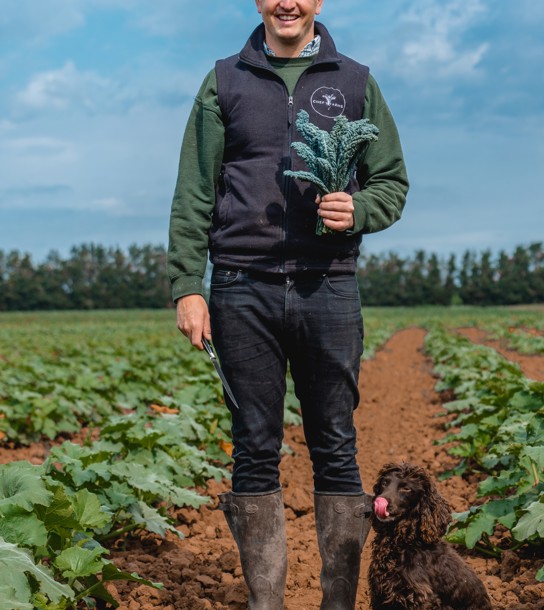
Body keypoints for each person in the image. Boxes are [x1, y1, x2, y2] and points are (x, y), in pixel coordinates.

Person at [167, 1, 408, 608]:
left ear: (319, 2)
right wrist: (189, 285)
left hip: (329, 285)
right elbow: (194, 190)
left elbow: (391, 182)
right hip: (241, 287)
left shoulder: (355, 81)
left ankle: (337, 603)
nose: (287, 3)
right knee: (253, 446)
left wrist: (359, 208)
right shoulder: (224, 80)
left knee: (335, 443)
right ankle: (266, 604)